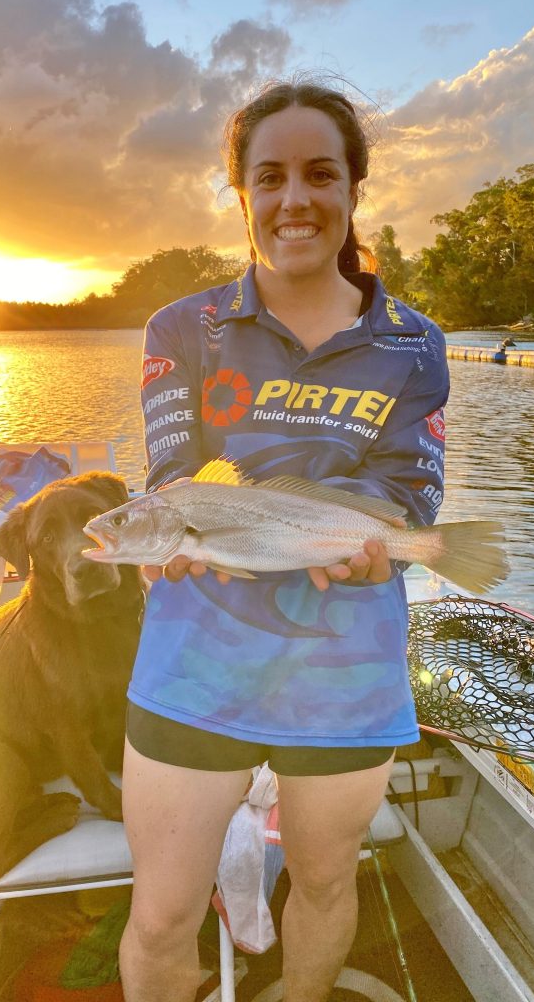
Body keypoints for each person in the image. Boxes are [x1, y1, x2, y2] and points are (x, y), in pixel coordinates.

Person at [118, 79, 449, 1002]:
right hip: (196, 663)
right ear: (242, 192)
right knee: (159, 914)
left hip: (346, 669)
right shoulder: (185, 327)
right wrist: (164, 532)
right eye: (270, 176)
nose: (294, 199)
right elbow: (177, 471)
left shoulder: (416, 345)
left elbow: (408, 494)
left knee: (329, 879)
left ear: (352, 189)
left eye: (319, 174)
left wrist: (388, 543)